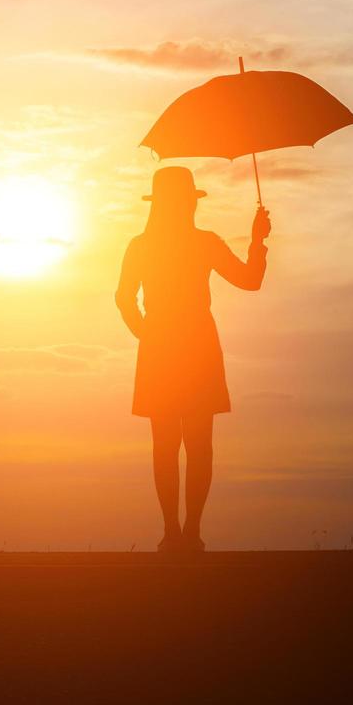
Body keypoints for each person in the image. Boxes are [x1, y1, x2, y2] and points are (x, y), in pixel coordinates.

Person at [114, 166, 270, 554]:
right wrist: (257, 241)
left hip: (167, 346)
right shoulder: (199, 243)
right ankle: (185, 533)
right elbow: (251, 280)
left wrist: (145, 331)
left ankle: (177, 532)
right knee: (192, 445)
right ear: (185, 203)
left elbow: (123, 298)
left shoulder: (143, 245)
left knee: (169, 445)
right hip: (190, 345)